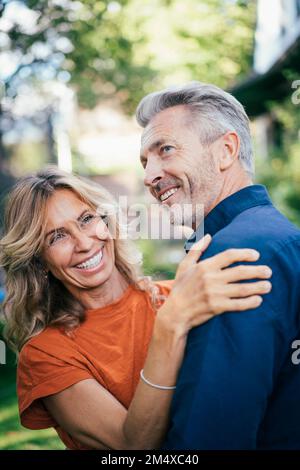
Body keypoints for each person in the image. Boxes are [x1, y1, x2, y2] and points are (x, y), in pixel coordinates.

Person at [0, 167, 272, 450]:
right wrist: (170, 326)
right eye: (57, 237)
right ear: (40, 262)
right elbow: (132, 447)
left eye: (86, 219)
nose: (83, 243)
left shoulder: (179, 296)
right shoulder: (46, 354)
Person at [136, 81, 300, 449]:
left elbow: (209, 434)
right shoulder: (281, 236)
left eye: (166, 150)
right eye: (145, 162)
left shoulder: (230, 256)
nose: (149, 176)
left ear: (226, 150)